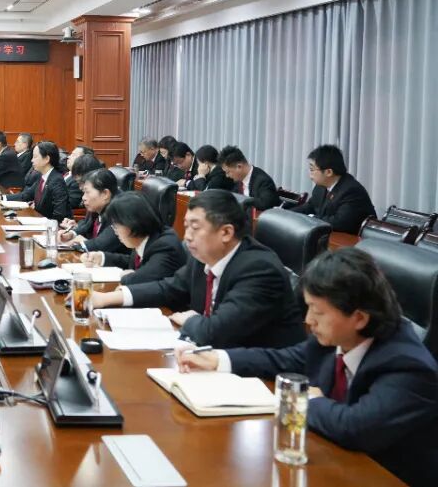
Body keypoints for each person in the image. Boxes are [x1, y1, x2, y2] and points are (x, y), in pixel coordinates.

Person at [175, 248, 438, 485]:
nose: (309, 320)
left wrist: (304, 400)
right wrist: (219, 359)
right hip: (332, 461)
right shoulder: (337, 338)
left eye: (318, 312)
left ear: (359, 318)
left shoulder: (408, 367)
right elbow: (283, 360)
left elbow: (356, 428)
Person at [91, 190, 304, 348]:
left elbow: (216, 332)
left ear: (226, 232)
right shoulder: (203, 257)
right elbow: (170, 287)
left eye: (195, 228)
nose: (187, 236)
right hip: (210, 355)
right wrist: (107, 298)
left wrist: (193, 320)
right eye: (186, 227)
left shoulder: (259, 269)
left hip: (262, 379)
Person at [81, 193, 188, 285]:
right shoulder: (143, 238)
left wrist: (131, 276)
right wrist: (102, 257)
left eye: (116, 225)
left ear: (132, 223)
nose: (115, 231)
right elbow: (133, 262)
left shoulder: (165, 245)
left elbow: (144, 278)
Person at [291, 145, 376, 233]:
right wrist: (288, 214)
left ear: (328, 172)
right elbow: (310, 206)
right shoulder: (321, 187)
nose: (310, 173)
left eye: (312, 169)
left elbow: (339, 223)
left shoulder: (351, 191)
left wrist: (310, 218)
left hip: (350, 239)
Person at [60, 168, 129, 254]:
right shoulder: (98, 206)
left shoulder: (120, 212)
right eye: (84, 192)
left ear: (105, 194)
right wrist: (72, 234)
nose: (83, 198)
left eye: (87, 192)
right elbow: (86, 224)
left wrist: (77, 244)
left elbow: (101, 245)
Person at [12, 141, 71, 222]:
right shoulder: (42, 176)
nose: (32, 160)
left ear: (46, 159)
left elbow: (59, 214)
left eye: (35, 157)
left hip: (50, 226)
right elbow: (26, 196)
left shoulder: (57, 181)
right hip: (39, 221)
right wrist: (2, 198)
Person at [218, 145, 279, 210]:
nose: (227, 176)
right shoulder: (239, 181)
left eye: (228, 172)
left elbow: (266, 204)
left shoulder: (263, 181)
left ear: (239, 167)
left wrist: (247, 202)